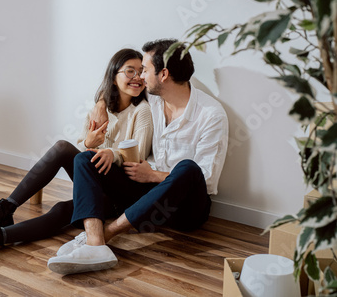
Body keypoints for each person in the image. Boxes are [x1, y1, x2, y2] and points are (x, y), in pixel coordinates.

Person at [47, 39, 229, 275]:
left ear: (163, 74)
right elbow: (118, 83)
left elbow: (207, 181)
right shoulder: (152, 99)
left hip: (185, 210)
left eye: (145, 70)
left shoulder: (211, 114)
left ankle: (106, 234)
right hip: (146, 199)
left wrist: (153, 175)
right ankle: (95, 244)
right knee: (85, 159)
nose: (140, 77)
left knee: (188, 168)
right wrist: (100, 103)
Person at [0, 48, 153, 261]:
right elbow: (82, 158)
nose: (138, 77)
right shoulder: (99, 110)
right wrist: (88, 142)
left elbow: (137, 153)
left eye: (141, 71)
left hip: (124, 191)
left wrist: (111, 153)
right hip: (98, 181)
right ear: (114, 77)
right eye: (130, 71)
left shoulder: (142, 111)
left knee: (61, 209)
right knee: (62, 148)